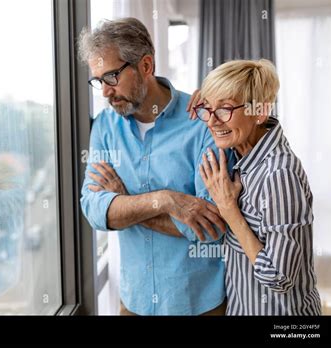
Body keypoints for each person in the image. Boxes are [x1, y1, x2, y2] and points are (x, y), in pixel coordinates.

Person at [78, 17, 232, 315]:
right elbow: (95, 211)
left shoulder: (201, 123)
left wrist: (125, 206)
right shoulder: (105, 127)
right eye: (98, 81)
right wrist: (166, 201)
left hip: (197, 304)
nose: (105, 92)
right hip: (132, 304)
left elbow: (212, 226)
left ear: (145, 66)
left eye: (111, 77)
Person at [195, 59, 321, 315]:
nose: (211, 122)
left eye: (225, 110)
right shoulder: (241, 156)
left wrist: (229, 210)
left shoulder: (279, 174)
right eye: (207, 109)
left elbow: (279, 277)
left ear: (260, 112)